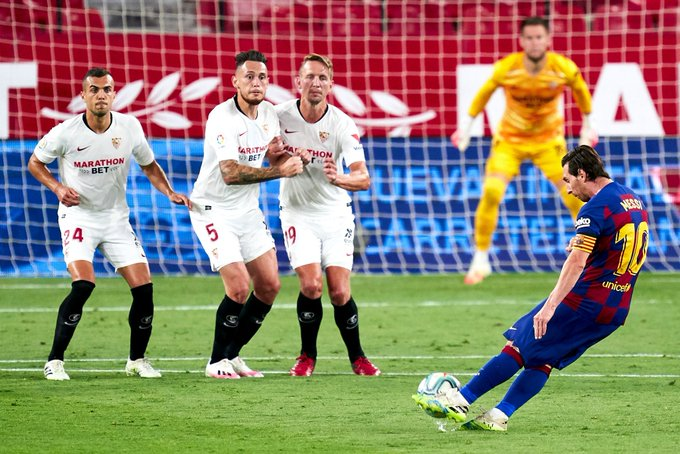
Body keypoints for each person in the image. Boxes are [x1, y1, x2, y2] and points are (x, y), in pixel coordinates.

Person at [414, 145, 649, 431]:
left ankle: (460, 399)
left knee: (520, 343)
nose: (569, 190)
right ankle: (499, 415)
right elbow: (619, 244)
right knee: (544, 357)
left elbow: (576, 263)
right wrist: (587, 248)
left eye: (568, 181)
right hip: (615, 308)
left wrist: (550, 306)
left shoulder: (594, 208)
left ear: (583, 173)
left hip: (585, 300)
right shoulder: (632, 198)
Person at [28, 67, 192, 380]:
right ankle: (55, 361)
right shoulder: (66, 132)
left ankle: (137, 360)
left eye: (107, 89)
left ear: (114, 94)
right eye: (94, 90)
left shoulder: (129, 127)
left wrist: (169, 191)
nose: (101, 95)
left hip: (116, 219)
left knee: (144, 289)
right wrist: (58, 188)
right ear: (83, 96)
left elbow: (150, 165)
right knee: (84, 285)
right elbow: (35, 163)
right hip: (79, 217)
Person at [452, 16, 598, 285]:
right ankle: (481, 258)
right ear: (521, 41)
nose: (534, 42)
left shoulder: (562, 67)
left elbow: (580, 91)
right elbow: (483, 94)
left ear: (547, 39)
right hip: (510, 141)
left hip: (548, 143)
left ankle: (590, 253)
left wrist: (588, 126)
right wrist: (466, 126)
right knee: (492, 192)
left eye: (539, 37)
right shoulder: (507, 68)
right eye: (529, 38)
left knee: (574, 195)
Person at [190, 50, 304, 379]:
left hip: (246, 209)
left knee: (268, 285)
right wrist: (280, 172)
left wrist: (289, 156)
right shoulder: (222, 117)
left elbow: (270, 153)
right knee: (239, 287)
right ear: (235, 81)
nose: (256, 82)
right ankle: (215, 362)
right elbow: (228, 172)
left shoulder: (268, 113)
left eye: (263, 77)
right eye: (250, 76)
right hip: (213, 209)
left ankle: (233, 354)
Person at [273, 53, 381, 376]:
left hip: (335, 215)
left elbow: (363, 178)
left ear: (330, 85)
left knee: (339, 291)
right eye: (310, 77)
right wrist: (286, 157)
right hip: (297, 213)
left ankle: (358, 357)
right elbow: (266, 156)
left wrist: (339, 179)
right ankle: (307, 356)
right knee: (311, 286)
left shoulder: (342, 124)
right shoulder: (279, 117)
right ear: (298, 82)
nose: (315, 83)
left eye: (322, 78)